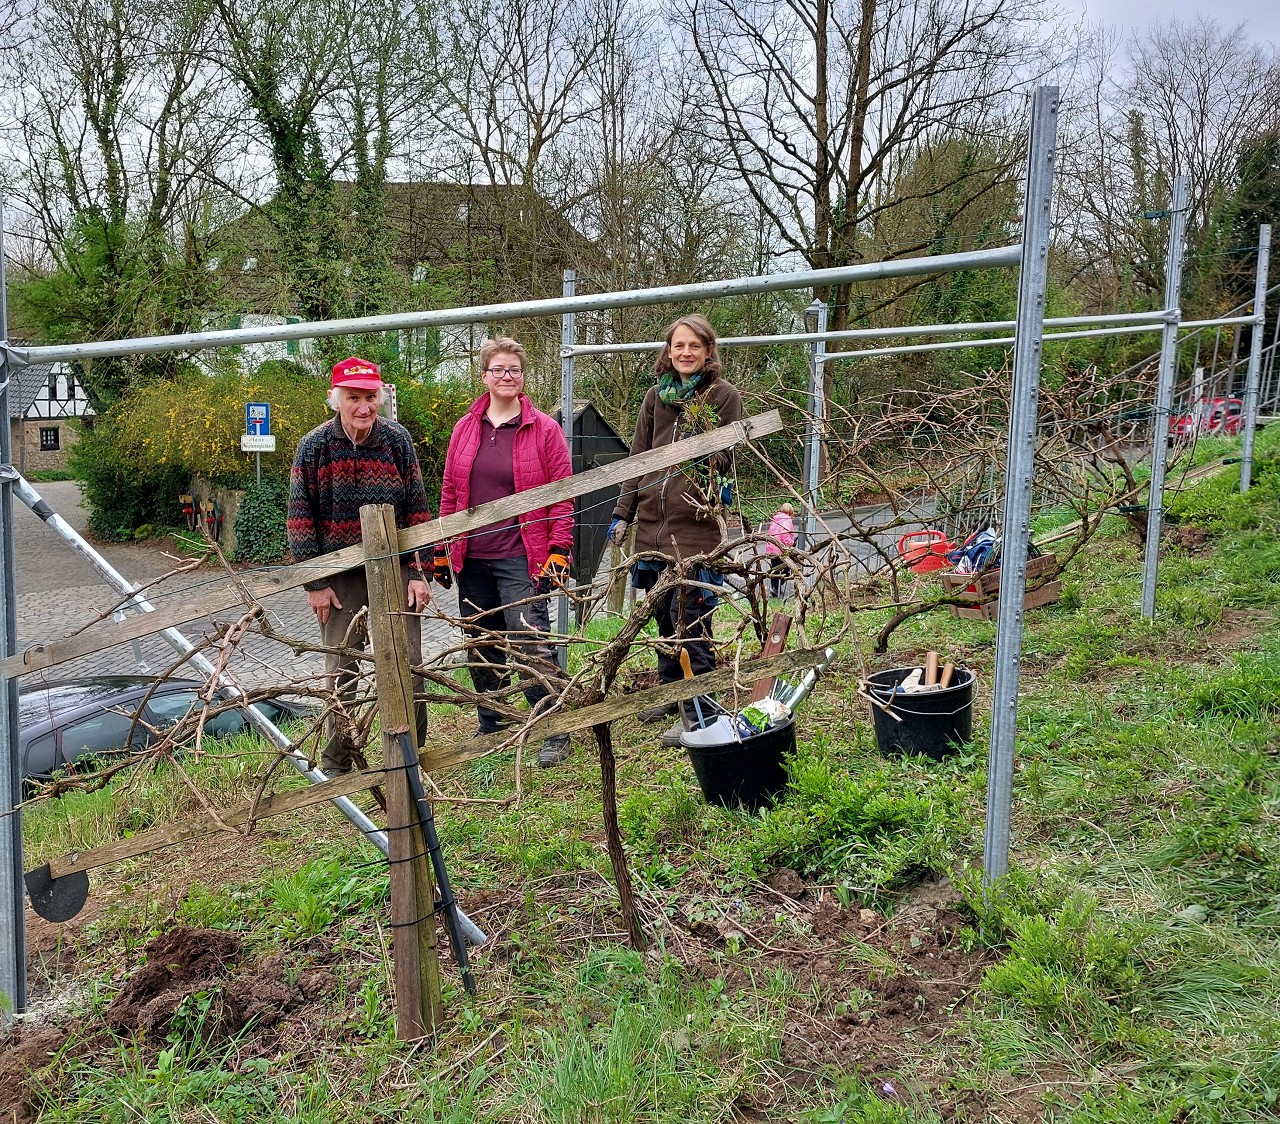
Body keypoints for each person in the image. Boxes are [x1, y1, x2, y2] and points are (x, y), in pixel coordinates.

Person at [287, 356, 433, 778]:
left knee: (409, 660)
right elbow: (299, 517)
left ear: (380, 396)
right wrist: (314, 582)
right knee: (341, 667)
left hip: (395, 567)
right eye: (354, 398)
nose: (364, 406)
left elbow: (418, 509)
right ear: (337, 400)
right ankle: (338, 758)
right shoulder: (314, 446)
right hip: (340, 576)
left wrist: (419, 573)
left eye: (370, 396)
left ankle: (411, 751)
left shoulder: (397, 441)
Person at [435, 337, 576, 768]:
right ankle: (492, 722)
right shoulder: (465, 428)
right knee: (481, 640)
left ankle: (553, 727)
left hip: (522, 554)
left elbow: (563, 495)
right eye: (498, 369)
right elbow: (449, 492)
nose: (506, 376)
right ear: (484, 376)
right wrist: (442, 548)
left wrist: (559, 548)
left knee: (528, 639)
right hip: (472, 556)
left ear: (522, 375)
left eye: (513, 369)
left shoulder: (543, 429)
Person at [607, 313, 744, 747]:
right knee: (665, 615)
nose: (685, 353)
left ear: (708, 352)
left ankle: (700, 713)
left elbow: (725, 459)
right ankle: (671, 690)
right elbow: (638, 457)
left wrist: (701, 426)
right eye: (678, 346)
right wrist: (623, 512)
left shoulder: (723, 396)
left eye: (694, 346)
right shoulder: (655, 397)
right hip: (651, 526)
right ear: (669, 351)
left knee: (691, 620)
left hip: (696, 526)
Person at [765, 503, 796, 598]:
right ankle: (779, 583)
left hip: (771, 547)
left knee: (775, 568)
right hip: (780, 548)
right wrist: (791, 543)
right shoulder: (787, 519)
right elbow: (785, 534)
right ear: (790, 511)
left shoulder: (775, 518)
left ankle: (774, 587)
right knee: (786, 567)